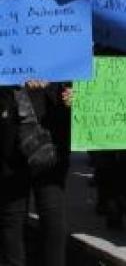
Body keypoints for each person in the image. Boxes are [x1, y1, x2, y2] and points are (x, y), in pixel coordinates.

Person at [0, 80, 72, 266]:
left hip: (43, 124)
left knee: (48, 210)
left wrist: (71, 94)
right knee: (15, 213)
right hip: (20, 125)